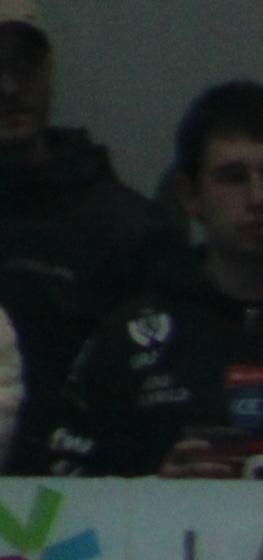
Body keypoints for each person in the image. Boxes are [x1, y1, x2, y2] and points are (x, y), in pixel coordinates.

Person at [43, 80, 263, 478]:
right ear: (189, 194)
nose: (258, 198)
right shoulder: (130, 337)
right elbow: (56, 498)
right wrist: (157, 496)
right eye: (233, 177)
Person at [0, 6, 178, 473]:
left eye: (22, 64)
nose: (10, 88)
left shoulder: (129, 230)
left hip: (84, 503)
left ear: (49, 71)